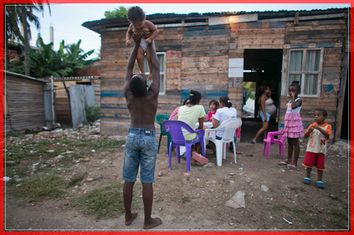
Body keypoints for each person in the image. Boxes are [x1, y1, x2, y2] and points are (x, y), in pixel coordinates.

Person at [122, 33, 162, 229]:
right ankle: (147, 221)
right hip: (148, 136)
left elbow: (129, 68)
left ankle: (128, 217)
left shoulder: (128, 95)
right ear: (146, 85)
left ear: (130, 85)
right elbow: (155, 67)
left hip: (132, 135)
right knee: (147, 180)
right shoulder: (152, 95)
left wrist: (136, 44)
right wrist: (150, 45)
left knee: (128, 179)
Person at [125, 6, 159, 80]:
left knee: (149, 57)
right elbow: (129, 32)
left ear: (144, 19)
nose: (137, 27)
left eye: (140, 24)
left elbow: (156, 31)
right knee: (139, 57)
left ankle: (151, 72)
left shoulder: (148, 24)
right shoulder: (131, 26)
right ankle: (142, 72)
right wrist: (128, 39)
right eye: (135, 25)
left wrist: (150, 38)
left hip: (148, 42)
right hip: (140, 42)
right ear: (131, 22)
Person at [302, 108, 331, 189]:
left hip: (321, 149)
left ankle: (319, 180)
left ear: (325, 117)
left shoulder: (328, 126)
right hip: (311, 148)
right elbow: (305, 136)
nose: (316, 117)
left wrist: (318, 128)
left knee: (320, 166)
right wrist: (309, 131)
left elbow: (327, 135)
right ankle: (307, 177)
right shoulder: (312, 125)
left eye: (318, 115)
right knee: (308, 164)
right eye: (314, 115)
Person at [278, 81, 304, 169]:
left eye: (294, 91)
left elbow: (293, 107)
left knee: (295, 143)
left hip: (295, 124)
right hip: (289, 123)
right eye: (290, 91)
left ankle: (295, 163)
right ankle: (289, 160)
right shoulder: (290, 100)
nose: (291, 92)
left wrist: (293, 97)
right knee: (289, 142)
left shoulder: (299, 100)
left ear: (298, 92)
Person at [177, 90, 207, 164]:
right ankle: (197, 154)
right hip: (188, 138)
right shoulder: (200, 108)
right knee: (200, 133)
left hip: (177, 137)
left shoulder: (181, 108)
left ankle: (191, 152)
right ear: (198, 100)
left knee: (191, 134)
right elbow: (200, 126)